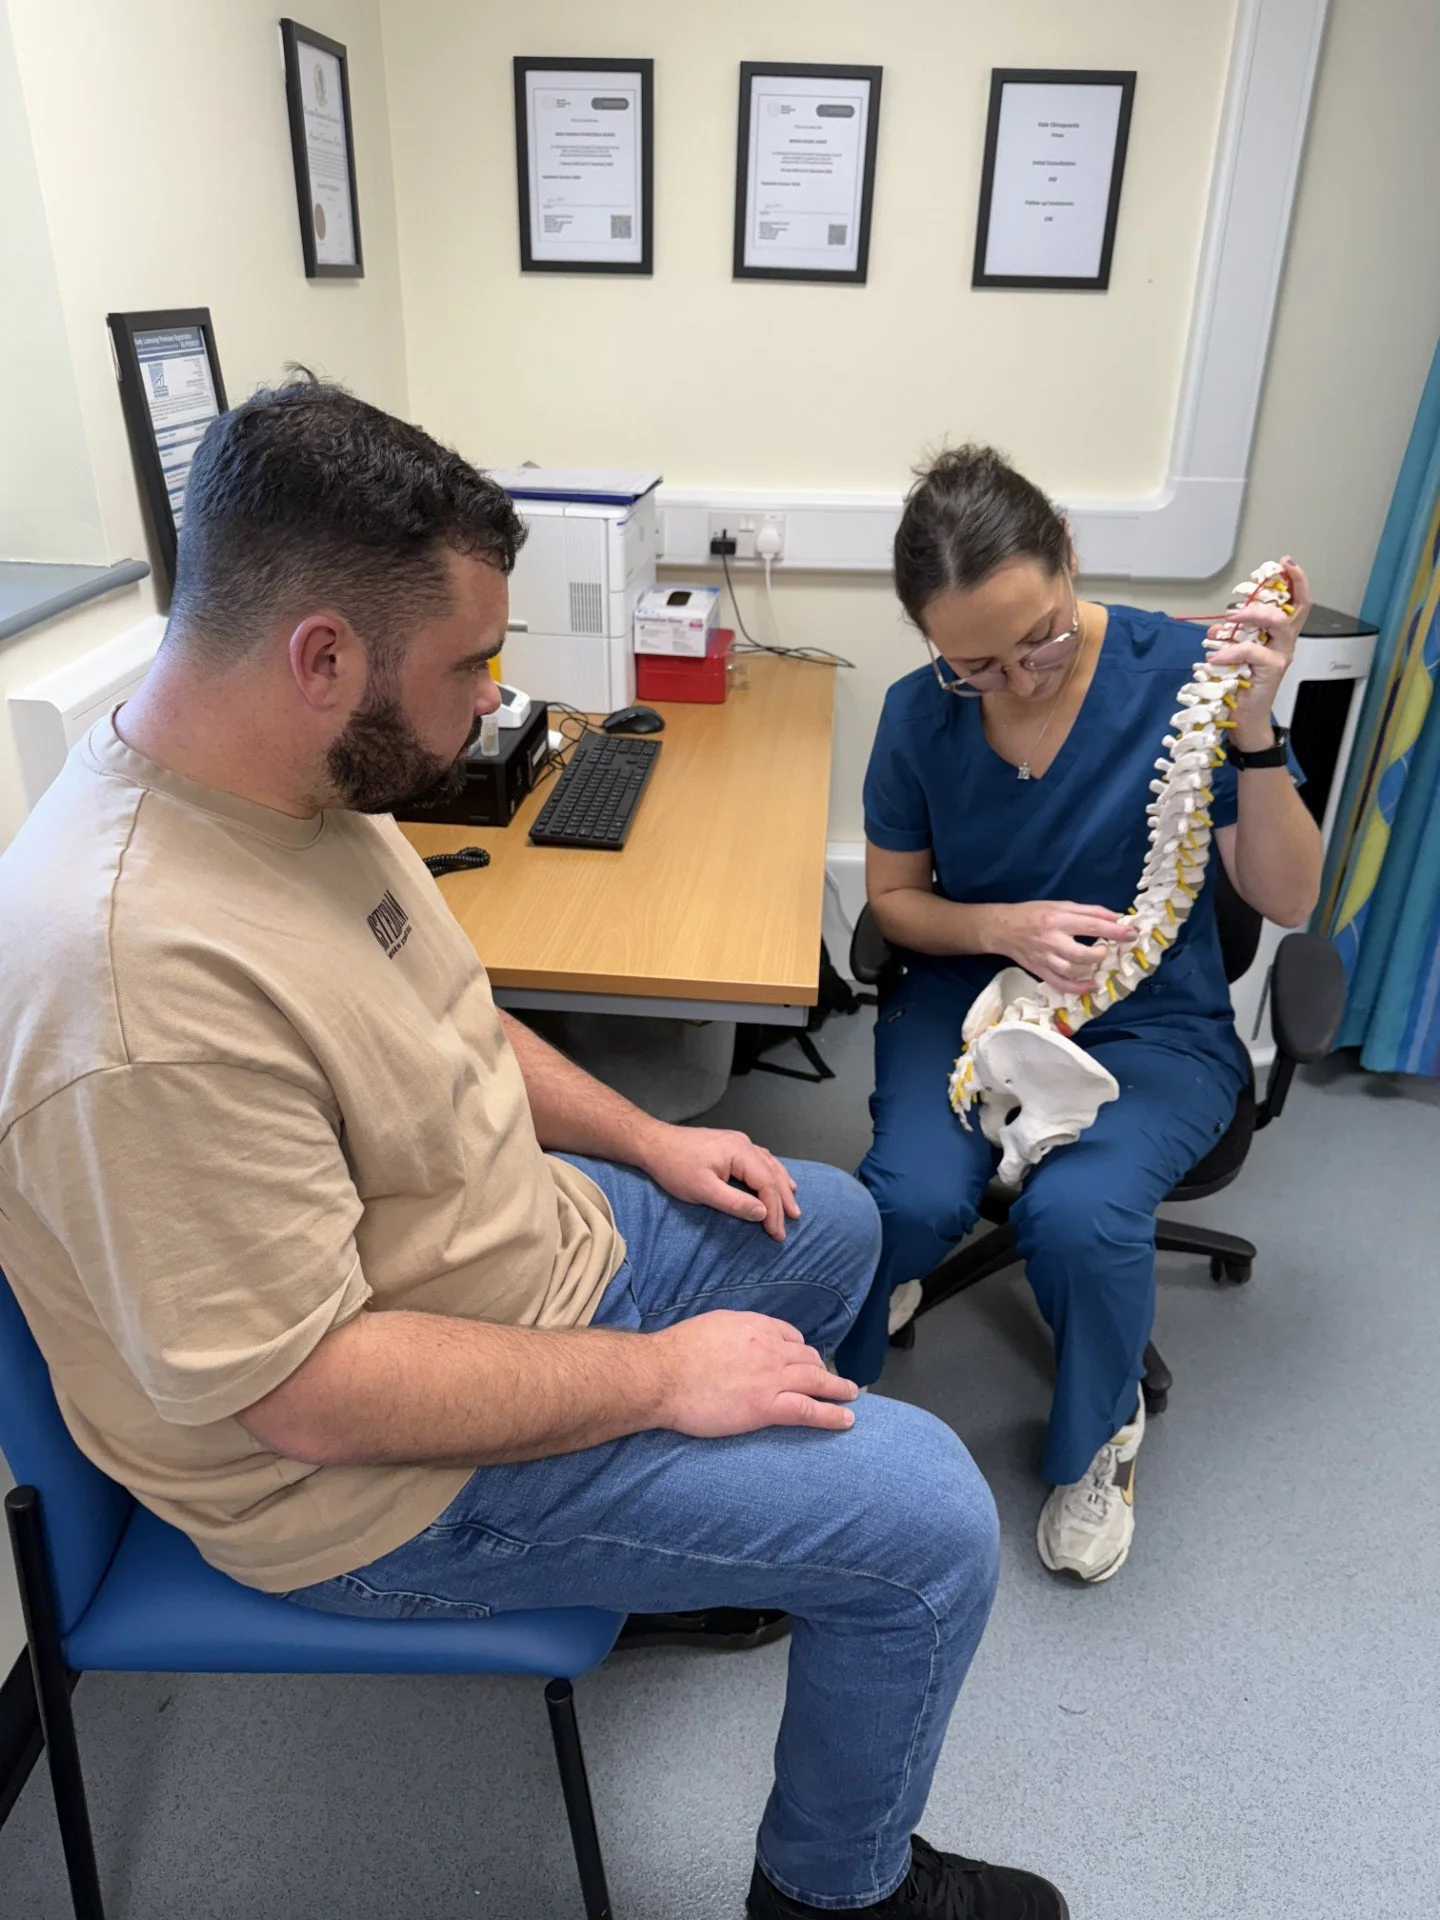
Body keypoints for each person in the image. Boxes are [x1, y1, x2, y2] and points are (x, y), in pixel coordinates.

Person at [0, 386, 1070, 1919]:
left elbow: (447, 1013)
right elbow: (306, 1398)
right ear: (322, 658)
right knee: (927, 1527)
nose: (494, 703)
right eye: (472, 667)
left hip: (529, 1263)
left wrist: (653, 1136)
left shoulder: (300, 779)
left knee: (825, 1218)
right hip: (378, 1488)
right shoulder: (130, 984)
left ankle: (720, 1552)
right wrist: (663, 1381)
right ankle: (836, 1892)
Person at [840, 445, 1322, 1585]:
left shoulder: (1185, 676)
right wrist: (1003, 928)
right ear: (930, 647)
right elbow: (897, 902)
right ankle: (825, 1385)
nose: (1021, 677)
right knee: (903, 1202)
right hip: (970, 995)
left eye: (1041, 637)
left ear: (1070, 557)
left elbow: (1290, 897)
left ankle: (1101, 1438)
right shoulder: (919, 718)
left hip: (1150, 1017)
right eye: (977, 665)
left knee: (1080, 1213)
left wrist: (1255, 730)